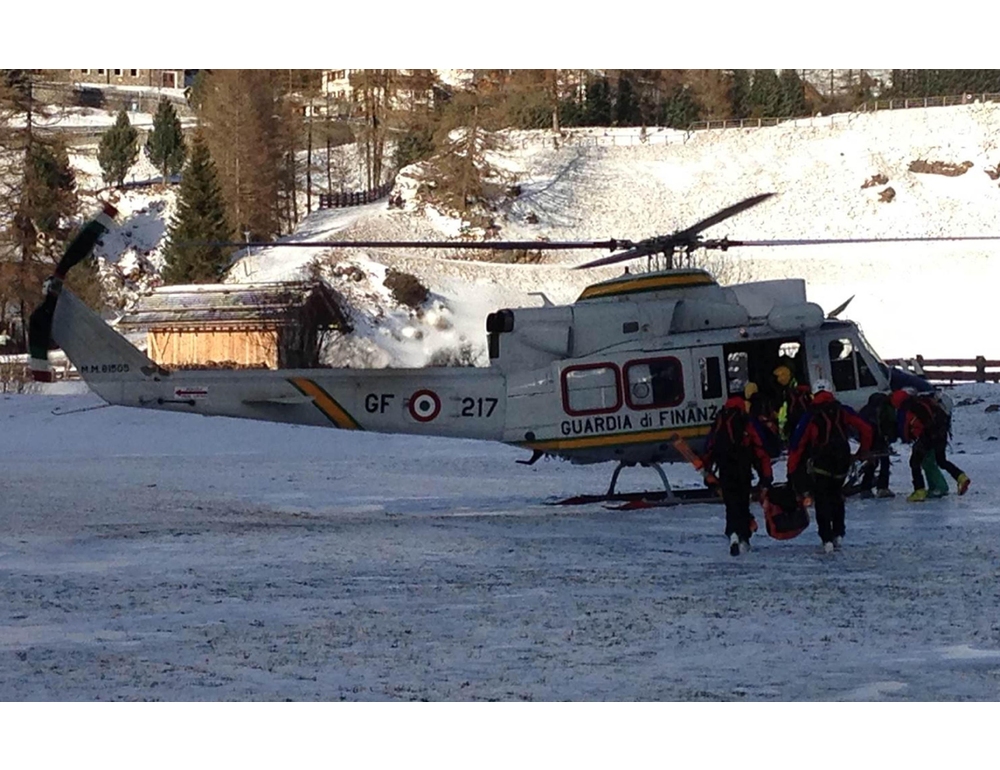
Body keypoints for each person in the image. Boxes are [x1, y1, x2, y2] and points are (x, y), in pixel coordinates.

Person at [787, 379, 873, 553]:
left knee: (822, 499)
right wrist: (863, 450)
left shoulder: (810, 414)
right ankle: (839, 532)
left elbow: (798, 444)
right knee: (837, 495)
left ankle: (826, 538)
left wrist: (791, 470)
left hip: (821, 462)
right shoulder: (842, 410)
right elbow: (866, 429)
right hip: (841, 461)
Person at [702, 382, 774, 557]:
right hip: (743, 469)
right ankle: (744, 539)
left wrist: (707, 471)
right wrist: (765, 477)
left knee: (730, 504)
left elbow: (710, 446)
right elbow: (759, 450)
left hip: (725, 469)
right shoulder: (746, 421)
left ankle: (732, 534)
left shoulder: (720, 419)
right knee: (742, 503)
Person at [891, 389, 970, 501]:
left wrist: (907, 438)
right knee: (941, 461)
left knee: (915, 462)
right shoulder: (924, 402)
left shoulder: (909, 409)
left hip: (927, 437)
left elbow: (907, 428)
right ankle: (961, 477)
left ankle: (919, 490)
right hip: (941, 433)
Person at [858, 392, 897, 498]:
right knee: (884, 462)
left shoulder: (865, 410)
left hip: (867, 439)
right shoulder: (881, 410)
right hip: (879, 439)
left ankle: (866, 487)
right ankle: (882, 487)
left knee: (872, 463)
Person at [773, 364, 813, 444]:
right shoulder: (788, 389)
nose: (779, 380)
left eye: (780, 377)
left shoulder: (794, 391)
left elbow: (789, 411)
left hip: (797, 424)